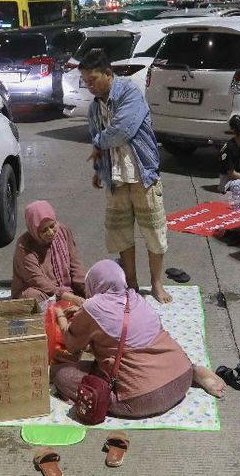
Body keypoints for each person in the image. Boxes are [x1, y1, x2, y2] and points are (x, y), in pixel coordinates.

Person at [50, 260, 227, 418]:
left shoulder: (91, 307)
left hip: (143, 399)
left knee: (61, 375)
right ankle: (195, 371)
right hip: (182, 375)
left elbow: (73, 345)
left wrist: (61, 317)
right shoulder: (134, 298)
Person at [79, 48, 172, 304]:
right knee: (121, 232)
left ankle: (156, 283)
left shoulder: (130, 93)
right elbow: (99, 145)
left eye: (93, 80)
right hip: (115, 178)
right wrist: (99, 171)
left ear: (108, 74)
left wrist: (98, 143)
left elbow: (122, 131)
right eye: (86, 82)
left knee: (153, 231)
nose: (90, 87)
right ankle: (131, 282)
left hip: (142, 173)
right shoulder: (94, 109)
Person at [12, 200, 87, 305]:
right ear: (34, 230)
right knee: (34, 297)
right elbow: (37, 280)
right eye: (44, 230)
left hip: (65, 289)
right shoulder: (24, 246)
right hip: (40, 290)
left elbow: (75, 265)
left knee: (93, 285)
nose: (51, 232)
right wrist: (68, 297)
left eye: (52, 226)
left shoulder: (63, 232)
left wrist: (85, 289)